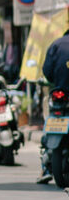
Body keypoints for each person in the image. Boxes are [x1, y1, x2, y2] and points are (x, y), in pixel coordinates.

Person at [38, 28, 69, 184]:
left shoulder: (56, 44)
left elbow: (47, 71)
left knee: (51, 115)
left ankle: (45, 167)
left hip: (59, 94)